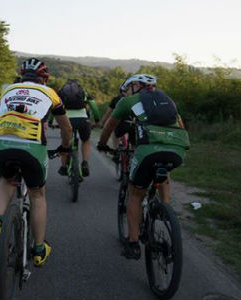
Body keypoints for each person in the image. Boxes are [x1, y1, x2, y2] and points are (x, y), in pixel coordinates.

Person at [0, 58, 72, 267]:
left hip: (1, 143)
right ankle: (39, 249)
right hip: (32, 146)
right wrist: (65, 148)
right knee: (37, 194)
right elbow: (66, 128)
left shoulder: (8, 90)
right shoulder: (51, 93)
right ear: (44, 78)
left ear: (22, 75)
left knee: (6, 180)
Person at [97, 74, 189, 259]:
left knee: (136, 194)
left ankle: (133, 243)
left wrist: (102, 144)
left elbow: (109, 127)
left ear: (135, 86)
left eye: (129, 87)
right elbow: (181, 126)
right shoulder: (167, 100)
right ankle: (165, 208)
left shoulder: (128, 101)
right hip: (177, 150)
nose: (127, 91)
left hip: (147, 151)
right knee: (163, 171)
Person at [54, 79, 100, 177]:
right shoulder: (83, 92)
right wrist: (96, 120)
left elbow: (55, 108)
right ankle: (85, 163)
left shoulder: (61, 93)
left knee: (65, 143)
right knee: (86, 140)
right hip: (83, 120)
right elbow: (94, 107)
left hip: (67, 121)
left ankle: (63, 167)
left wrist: (50, 122)